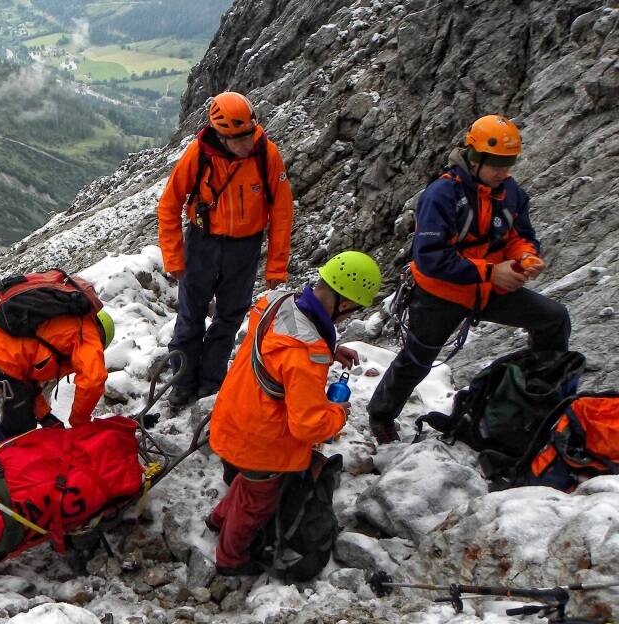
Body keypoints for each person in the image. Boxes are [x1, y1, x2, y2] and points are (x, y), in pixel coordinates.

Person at [367, 115, 571, 444]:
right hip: (441, 294)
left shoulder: (510, 193)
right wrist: (492, 272)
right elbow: (430, 258)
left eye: (509, 163)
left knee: (553, 319)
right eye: (496, 164)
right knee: (416, 361)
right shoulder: (441, 195)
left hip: (489, 287)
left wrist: (525, 256)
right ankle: (381, 414)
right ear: (475, 158)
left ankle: (539, 396)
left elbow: (521, 235)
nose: (504, 172)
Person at [206, 251, 381, 576]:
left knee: (248, 481)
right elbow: (308, 426)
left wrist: (328, 350)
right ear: (344, 304)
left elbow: (280, 350)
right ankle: (231, 559)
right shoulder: (305, 353)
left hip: (234, 411)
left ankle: (218, 519)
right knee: (258, 498)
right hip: (259, 439)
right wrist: (338, 414)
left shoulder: (277, 301)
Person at [157, 91, 294, 406]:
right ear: (220, 135)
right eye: (238, 139)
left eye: (249, 134)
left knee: (230, 317)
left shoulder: (267, 155)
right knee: (191, 316)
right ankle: (182, 381)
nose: (247, 143)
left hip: (244, 249)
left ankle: (211, 382)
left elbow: (283, 214)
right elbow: (168, 205)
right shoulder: (198, 154)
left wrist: (276, 266)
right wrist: (174, 257)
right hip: (202, 243)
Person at [0, 309, 114, 449]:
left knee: (8, 423)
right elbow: (93, 381)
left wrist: (45, 416)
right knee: (18, 431)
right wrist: (79, 424)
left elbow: (28, 380)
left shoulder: (64, 326)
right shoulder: (88, 335)